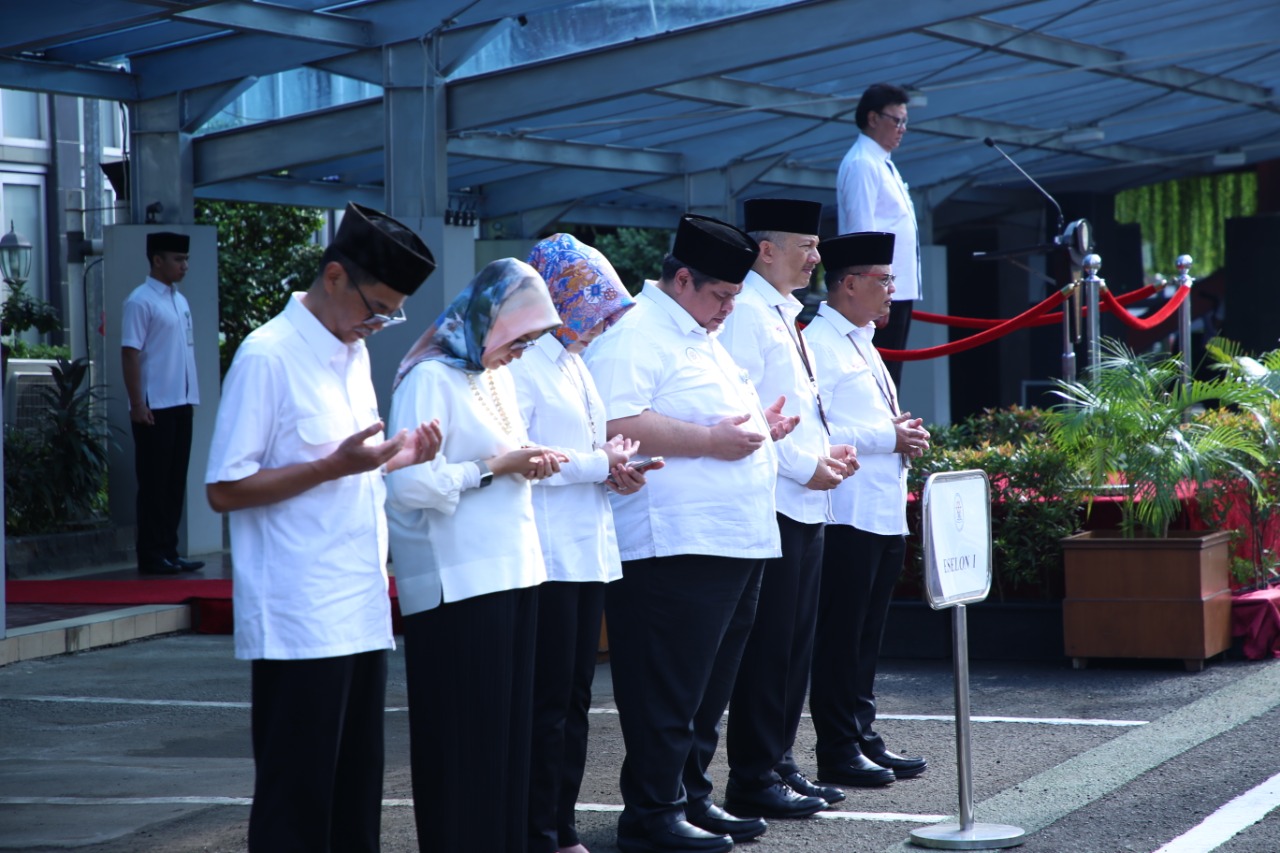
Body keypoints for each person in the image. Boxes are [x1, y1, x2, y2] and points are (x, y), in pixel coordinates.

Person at [205, 202, 441, 852]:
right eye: (377, 307)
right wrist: (333, 465)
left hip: (359, 605)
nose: (380, 323)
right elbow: (223, 488)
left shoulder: (351, 352)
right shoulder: (269, 355)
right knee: (297, 799)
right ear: (333, 276)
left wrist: (397, 453)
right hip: (299, 616)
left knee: (355, 792)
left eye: (392, 313)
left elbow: (350, 462)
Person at [583, 213, 798, 853]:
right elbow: (617, 420)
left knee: (707, 690)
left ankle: (691, 797)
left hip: (731, 539)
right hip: (675, 543)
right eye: (723, 296)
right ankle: (652, 814)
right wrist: (711, 440)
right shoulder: (637, 335)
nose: (729, 309)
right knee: (668, 689)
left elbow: (701, 410)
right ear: (682, 278)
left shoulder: (697, 331)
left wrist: (759, 427)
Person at [385, 258, 570, 853]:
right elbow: (408, 487)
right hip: (457, 584)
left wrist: (527, 459)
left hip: (513, 571)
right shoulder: (428, 377)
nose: (522, 353)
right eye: (519, 339)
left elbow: (502, 455)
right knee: (464, 741)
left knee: (506, 740)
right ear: (488, 319)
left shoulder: (492, 374)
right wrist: (494, 469)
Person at [718, 198, 858, 820]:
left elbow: (798, 406)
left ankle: (779, 761)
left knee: (795, 645)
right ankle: (753, 773)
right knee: (769, 647)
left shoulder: (780, 310)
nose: (817, 256)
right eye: (806, 244)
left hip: (806, 498)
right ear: (766, 249)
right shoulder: (746, 312)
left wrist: (826, 455)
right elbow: (747, 414)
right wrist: (807, 464)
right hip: (776, 498)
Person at [512, 233, 652, 853]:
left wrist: (617, 470)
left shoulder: (573, 360)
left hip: (587, 548)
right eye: (594, 313)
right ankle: (539, 829)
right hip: (545, 552)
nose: (602, 326)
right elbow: (524, 455)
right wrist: (600, 464)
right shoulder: (522, 362)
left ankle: (559, 824)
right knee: (546, 703)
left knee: (572, 701)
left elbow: (594, 447)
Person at [802, 231, 931, 790]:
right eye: (883, 281)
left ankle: (861, 737)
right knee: (841, 637)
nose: (891, 292)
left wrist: (900, 435)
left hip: (879, 508)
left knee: (866, 638)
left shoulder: (860, 339)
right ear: (848, 284)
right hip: (845, 511)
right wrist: (888, 435)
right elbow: (818, 428)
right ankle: (838, 747)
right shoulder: (817, 342)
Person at [122, 231, 203, 575]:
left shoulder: (178, 300)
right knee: (154, 482)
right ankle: (152, 553)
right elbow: (130, 352)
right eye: (178, 259)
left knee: (174, 480)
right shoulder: (140, 301)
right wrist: (137, 403)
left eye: (186, 259)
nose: (184, 265)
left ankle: (169, 549)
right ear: (157, 260)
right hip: (155, 404)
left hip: (182, 401)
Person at [836, 83, 920, 387]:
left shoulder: (882, 162)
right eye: (896, 120)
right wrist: (875, 293)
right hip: (883, 289)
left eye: (904, 122)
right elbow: (863, 233)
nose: (902, 129)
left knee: (891, 377)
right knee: (879, 378)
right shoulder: (862, 163)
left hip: (894, 288)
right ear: (873, 118)